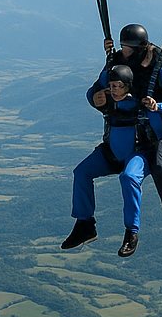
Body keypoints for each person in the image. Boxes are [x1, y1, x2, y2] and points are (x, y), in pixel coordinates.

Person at [98, 23, 162, 254]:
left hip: (157, 134)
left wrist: (159, 106)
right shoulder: (120, 63)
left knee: (161, 168)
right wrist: (108, 58)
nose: (124, 52)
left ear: (139, 48)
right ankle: (131, 233)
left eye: (127, 47)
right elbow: (100, 89)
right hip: (133, 136)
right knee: (127, 176)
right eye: (122, 47)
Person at [63, 65, 149, 257]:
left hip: (136, 153)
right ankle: (85, 224)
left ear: (128, 86)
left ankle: (131, 232)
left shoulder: (140, 100)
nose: (115, 91)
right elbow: (95, 89)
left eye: (119, 86)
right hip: (112, 152)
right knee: (82, 172)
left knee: (129, 178)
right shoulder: (108, 97)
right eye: (112, 86)